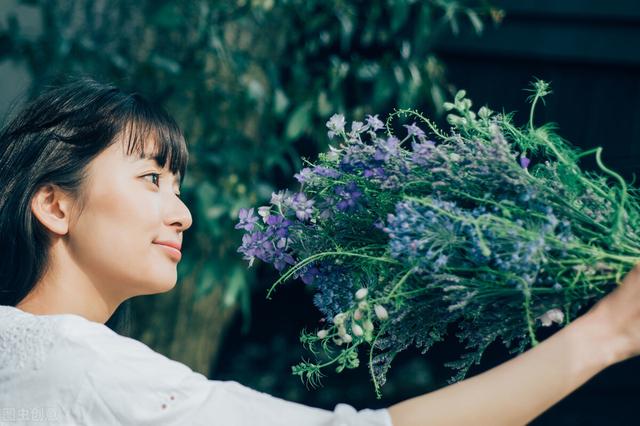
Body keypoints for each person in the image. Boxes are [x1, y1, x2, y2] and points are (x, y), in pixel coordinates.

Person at [1, 77, 640, 426]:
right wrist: (607, 334)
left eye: (179, 186)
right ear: (54, 204)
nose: (183, 213)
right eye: (150, 179)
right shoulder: (90, 373)